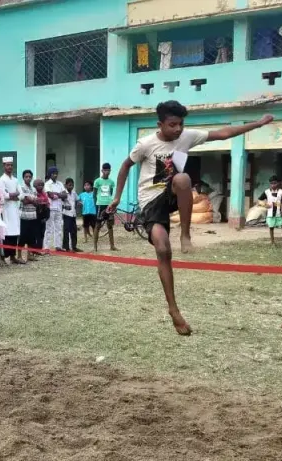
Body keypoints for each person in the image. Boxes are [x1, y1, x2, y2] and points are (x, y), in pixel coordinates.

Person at [107, 100, 273, 336]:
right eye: (172, 125)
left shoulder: (187, 136)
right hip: (150, 202)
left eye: (181, 124)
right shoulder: (145, 144)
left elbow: (223, 133)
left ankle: (185, 234)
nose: (178, 129)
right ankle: (173, 310)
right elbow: (125, 166)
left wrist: (257, 123)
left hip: (174, 192)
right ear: (160, 124)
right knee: (163, 250)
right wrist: (117, 198)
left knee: (183, 178)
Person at [0, 157, 22, 264]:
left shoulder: (15, 180)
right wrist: (14, 194)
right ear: (4, 166)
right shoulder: (1, 180)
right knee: (6, 233)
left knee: (15, 232)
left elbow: (21, 194)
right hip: (6, 210)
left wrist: (13, 195)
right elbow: (3, 195)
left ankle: (12, 256)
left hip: (14, 209)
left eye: (11, 165)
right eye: (7, 165)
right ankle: (4, 256)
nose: (10, 167)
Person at [93, 163, 118, 251]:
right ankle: (95, 246)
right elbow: (94, 195)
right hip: (100, 205)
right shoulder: (97, 181)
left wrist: (112, 204)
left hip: (109, 205)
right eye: (105, 170)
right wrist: (95, 204)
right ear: (102, 171)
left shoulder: (111, 182)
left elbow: (110, 193)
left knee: (110, 225)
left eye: (108, 170)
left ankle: (112, 246)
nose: (107, 172)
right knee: (98, 225)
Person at [261, 175, 282, 248]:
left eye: (275, 183)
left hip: (279, 212)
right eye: (271, 183)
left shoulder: (281, 192)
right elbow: (259, 200)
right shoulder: (266, 192)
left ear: (278, 183)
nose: (273, 185)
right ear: (270, 184)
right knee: (271, 227)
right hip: (270, 213)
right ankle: (272, 242)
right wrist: (265, 204)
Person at [43, 167, 66, 251]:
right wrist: (59, 195)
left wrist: (57, 194)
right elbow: (51, 195)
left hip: (59, 208)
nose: (55, 175)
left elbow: (65, 195)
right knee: (49, 228)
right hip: (50, 208)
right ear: (50, 174)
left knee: (59, 227)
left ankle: (58, 246)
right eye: (53, 173)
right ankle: (46, 247)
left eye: (56, 173)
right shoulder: (47, 184)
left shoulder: (60, 184)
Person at [18, 170, 38, 264]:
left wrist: (30, 199)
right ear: (23, 178)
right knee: (22, 236)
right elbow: (24, 201)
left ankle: (29, 255)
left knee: (31, 236)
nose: (28, 178)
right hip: (24, 216)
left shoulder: (34, 189)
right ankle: (19, 256)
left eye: (30, 177)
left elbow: (37, 202)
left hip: (33, 215)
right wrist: (32, 200)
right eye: (26, 176)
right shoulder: (21, 187)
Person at [61, 178, 81, 252]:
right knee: (66, 231)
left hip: (73, 214)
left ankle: (74, 246)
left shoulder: (74, 193)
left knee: (74, 231)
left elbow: (78, 200)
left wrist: (78, 203)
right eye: (69, 185)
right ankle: (66, 247)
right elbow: (60, 203)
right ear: (66, 185)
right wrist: (64, 206)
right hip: (66, 214)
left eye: (72, 185)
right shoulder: (63, 193)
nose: (71, 187)